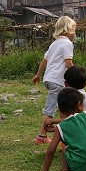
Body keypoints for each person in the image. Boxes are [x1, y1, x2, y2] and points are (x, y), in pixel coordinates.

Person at [35, 87, 86, 171]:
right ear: (79, 104)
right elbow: (77, 125)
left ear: (60, 109)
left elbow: (51, 151)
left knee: (64, 146)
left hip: (81, 168)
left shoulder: (61, 127)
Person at [31, 16, 76, 144]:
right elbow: (68, 63)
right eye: (74, 29)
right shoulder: (67, 44)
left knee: (63, 106)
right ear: (68, 30)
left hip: (49, 79)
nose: (75, 33)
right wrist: (75, 75)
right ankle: (42, 136)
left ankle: (64, 132)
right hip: (57, 80)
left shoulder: (54, 44)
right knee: (50, 109)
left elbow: (44, 61)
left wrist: (38, 75)